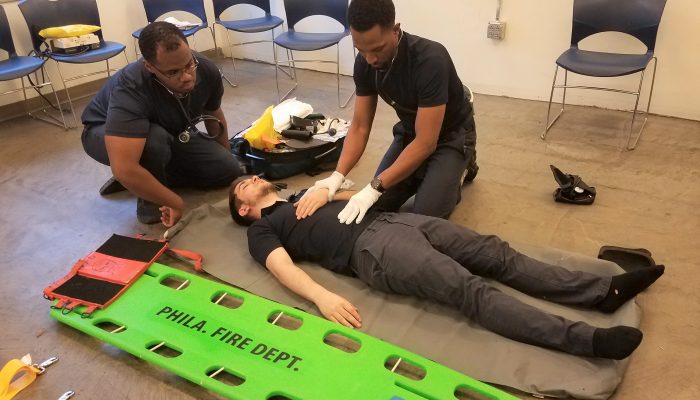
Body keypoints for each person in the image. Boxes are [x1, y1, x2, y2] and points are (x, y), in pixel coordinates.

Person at [229, 175, 665, 360]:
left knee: (498, 254)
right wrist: (322, 296)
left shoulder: (305, 194)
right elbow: (282, 268)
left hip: (394, 220)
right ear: (245, 209)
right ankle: (587, 340)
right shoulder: (264, 229)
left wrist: (329, 189)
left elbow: (355, 190)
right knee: (469, 289)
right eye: (239, 188)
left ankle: (600, 292)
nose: (246, 179)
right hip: (372, 250)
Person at [303, 0, 478, 224]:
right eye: (361, 50)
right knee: (381, 203)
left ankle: (462, 166)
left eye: (377, 49)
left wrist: (375, 185)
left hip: (452, 135)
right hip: (411, 132)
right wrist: (337, 176)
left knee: (425, 215)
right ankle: (428, 172)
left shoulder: (430, 60)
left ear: (395, 31)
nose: (370, 59)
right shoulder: (365, 63)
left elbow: (426, 143)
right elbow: (359, 126)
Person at [81, 22, 241, 226]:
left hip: (166, 132)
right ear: (149, 66)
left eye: (188, 65)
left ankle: (144, 179)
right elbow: (123, 167)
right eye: (173, 72)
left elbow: (213, 113)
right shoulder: (130, 88)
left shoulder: (206, 68)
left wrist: (227, 156)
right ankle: (149, 200)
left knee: (227, 169)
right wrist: (174, 201)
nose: (186, 77)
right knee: (154, 142)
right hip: (103, 132)